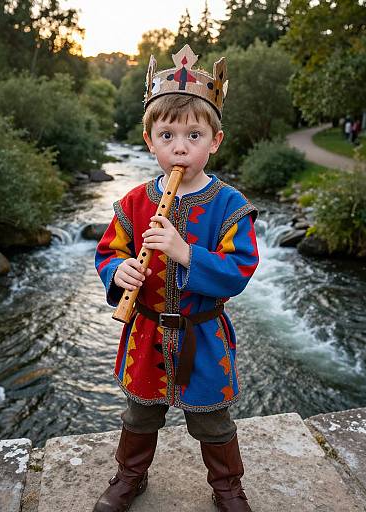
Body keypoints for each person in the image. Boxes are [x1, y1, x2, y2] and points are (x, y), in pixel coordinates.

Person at [94, 44, 260, 512]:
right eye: (167, 135)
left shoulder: (230, 205)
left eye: (193, 134)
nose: (180, 146)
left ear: (216, 141)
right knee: (139, 414)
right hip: (144, 329)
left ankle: (227, 487)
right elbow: (108, 252)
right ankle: (129, 478)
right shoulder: (133, 202)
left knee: (213, 421)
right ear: (150, 142)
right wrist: (117, 270)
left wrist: (186, 253)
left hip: (202, 334)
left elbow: (239, 271)